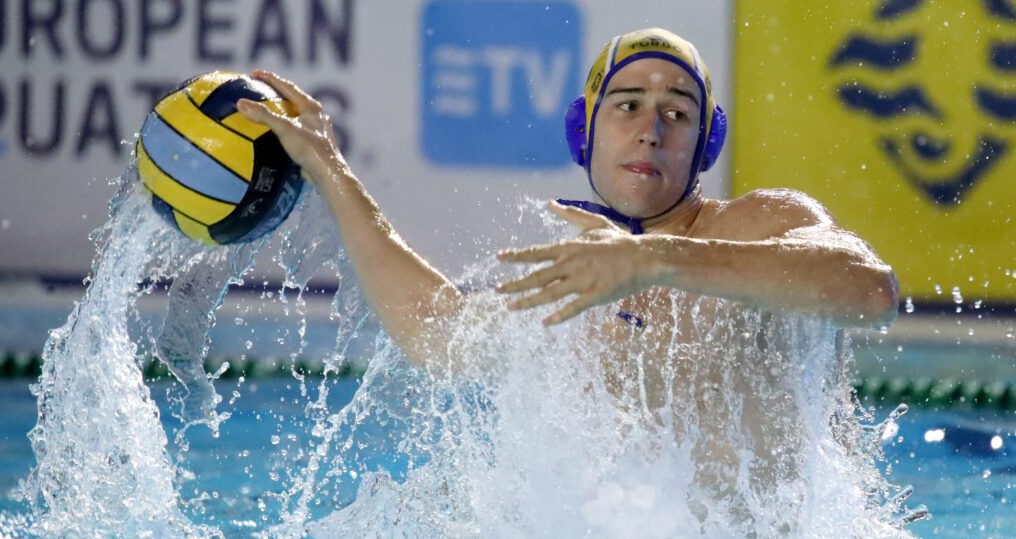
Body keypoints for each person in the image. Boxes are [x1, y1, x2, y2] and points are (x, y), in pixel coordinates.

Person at [236, 27, 897, 363]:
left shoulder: (759, 223)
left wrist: (653, 260)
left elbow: (870, 291)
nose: (651, 130)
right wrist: (330, 169)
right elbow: (438, 336)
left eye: (677, 113)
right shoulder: (577, 279)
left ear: (706, 143)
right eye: (628, 105)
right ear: (585, 131)